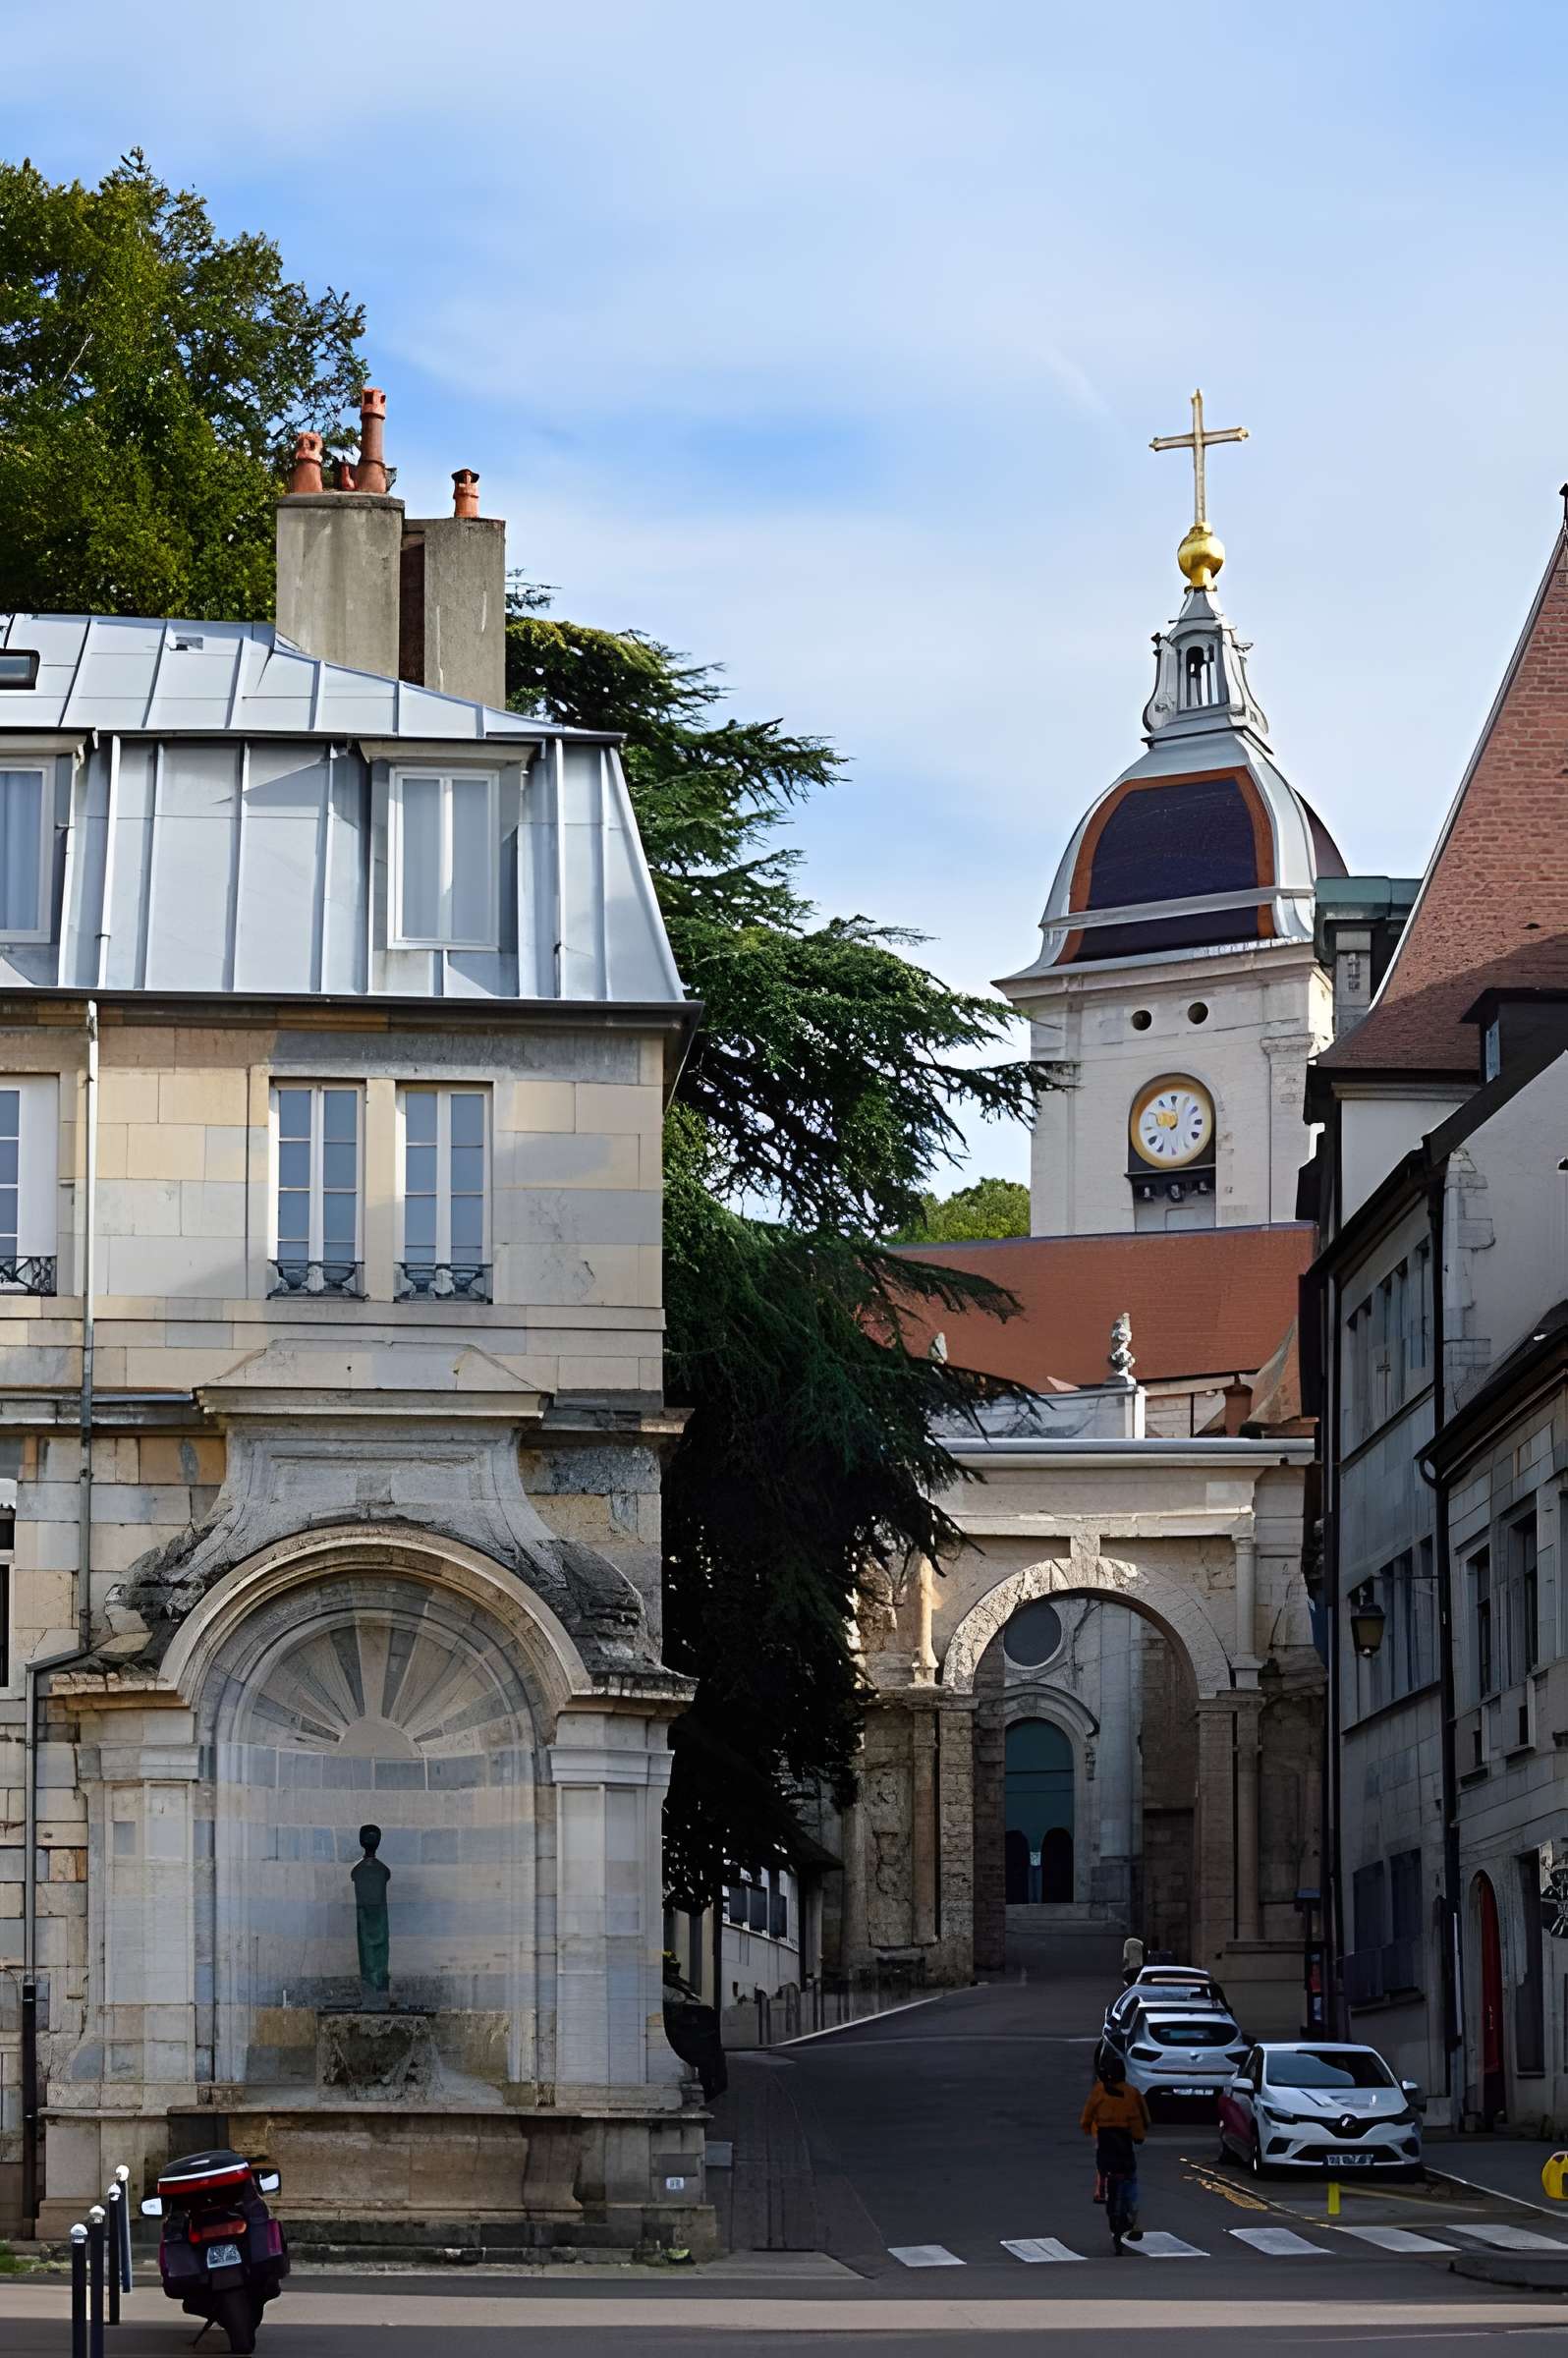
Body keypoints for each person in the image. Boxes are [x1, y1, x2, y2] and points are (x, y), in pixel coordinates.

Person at [1080, 2054, 1149, 2254]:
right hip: (1124, 2145)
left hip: (1105, 2144)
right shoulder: (1132, 2093)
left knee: (1103, 2167)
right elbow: (1143, 2118)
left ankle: (1102, 2189)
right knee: (1131, 2178)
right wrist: (1139, 2136)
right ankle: (1132, 2217)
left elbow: (1086, 2118)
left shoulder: (1099, 2091)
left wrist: (1089, 2128)